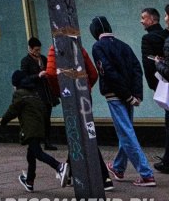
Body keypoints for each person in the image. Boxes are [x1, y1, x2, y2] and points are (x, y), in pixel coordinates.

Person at [89, 15, 155, 187]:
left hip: (116, 96)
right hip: (129, 96)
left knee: (126, 133)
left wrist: (126, 95)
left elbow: (108, 72)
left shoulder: (98, 47)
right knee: (126, 131)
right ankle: (118, 167)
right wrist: (135, 95)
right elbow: (136, 69)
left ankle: (146, 174)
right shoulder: (123, 45)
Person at [44, 43, 113, 190]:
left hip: (69, 96)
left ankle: (104, 177)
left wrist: (60, 91)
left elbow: (50, 73)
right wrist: (87, 87)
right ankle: (69, 173)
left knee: (78, 132)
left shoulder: (54, 48)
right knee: (84, 131)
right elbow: (93, 73)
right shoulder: (79, 47)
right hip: (84, 96)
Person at [1, 70, 65, 192]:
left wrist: (3, 121)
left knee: (38, 153)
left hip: (31, 129)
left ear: (16, 84)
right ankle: (29, 181)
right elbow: (43, 110)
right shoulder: (34, 93)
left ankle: (58, 166)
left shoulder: (19, 94)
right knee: (31, 155)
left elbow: (13, 110)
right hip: (39, 127)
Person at [141, 4, 169, 175]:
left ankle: (167, 161)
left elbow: (148, 65)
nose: (141, 21)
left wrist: (154, 86)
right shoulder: (165, 34)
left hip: (163, 81)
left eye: (143, 18)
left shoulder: (148, 39)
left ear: (151, 19)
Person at [20, 37, 57, 149]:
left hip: (46, 93)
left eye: (39, 50)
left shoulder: (43, 59)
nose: (38, 52)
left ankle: (47, 141)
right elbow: (24, 79)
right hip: (36, 94)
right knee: (39, 119)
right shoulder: (25, 61)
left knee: (47, 118)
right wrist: (37, 75)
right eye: (36, 50)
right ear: (30, 49)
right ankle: (38, 141)